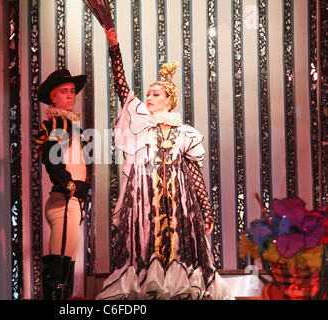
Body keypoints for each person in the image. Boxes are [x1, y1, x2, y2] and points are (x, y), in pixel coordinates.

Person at [96, 28, 233, 300]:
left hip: (178, 200)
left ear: (169, 100)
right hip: (146, 199)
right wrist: (114, 48)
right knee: (145, 242)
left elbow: (194, 174)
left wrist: (206, 210)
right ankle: (146, 283)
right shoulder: (141, 125)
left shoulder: (185, 133)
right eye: (149, 93)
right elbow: (121, 85)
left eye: (157, 94)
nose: (150, 97)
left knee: (180, 244)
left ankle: (180, 285)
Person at [34, 69, 91, 300]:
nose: (70, 96)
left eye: (73, 92)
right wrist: (69, 185)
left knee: (65, 271)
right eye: (64, 91)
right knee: (59, 273)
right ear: (53, 98)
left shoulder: (72, 126)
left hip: (71, 203)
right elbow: (50, 157)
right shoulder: (59, 124)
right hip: (64, 202)